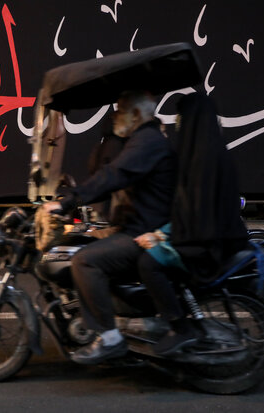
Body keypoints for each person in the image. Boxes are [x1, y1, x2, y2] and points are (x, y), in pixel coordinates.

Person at [44, 90, 177, 364]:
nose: (115, 115)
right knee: (87, 243)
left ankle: (110, 337)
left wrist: (69, 201)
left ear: (137, 114)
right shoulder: (140, 139)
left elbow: (114, 175)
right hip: (136, 225)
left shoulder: (146, 141)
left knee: (84, 262)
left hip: (145, 232)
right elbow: (110, 175)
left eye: (121, 109)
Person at [135, 93, 248, 355]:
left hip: (207, 245)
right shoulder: (213, 152)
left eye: (181, 120)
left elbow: (197, 217)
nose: (178, 127)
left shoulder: (202, 161)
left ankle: (180, 328)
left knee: (148, 264)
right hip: (215, 238)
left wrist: (161, 238)